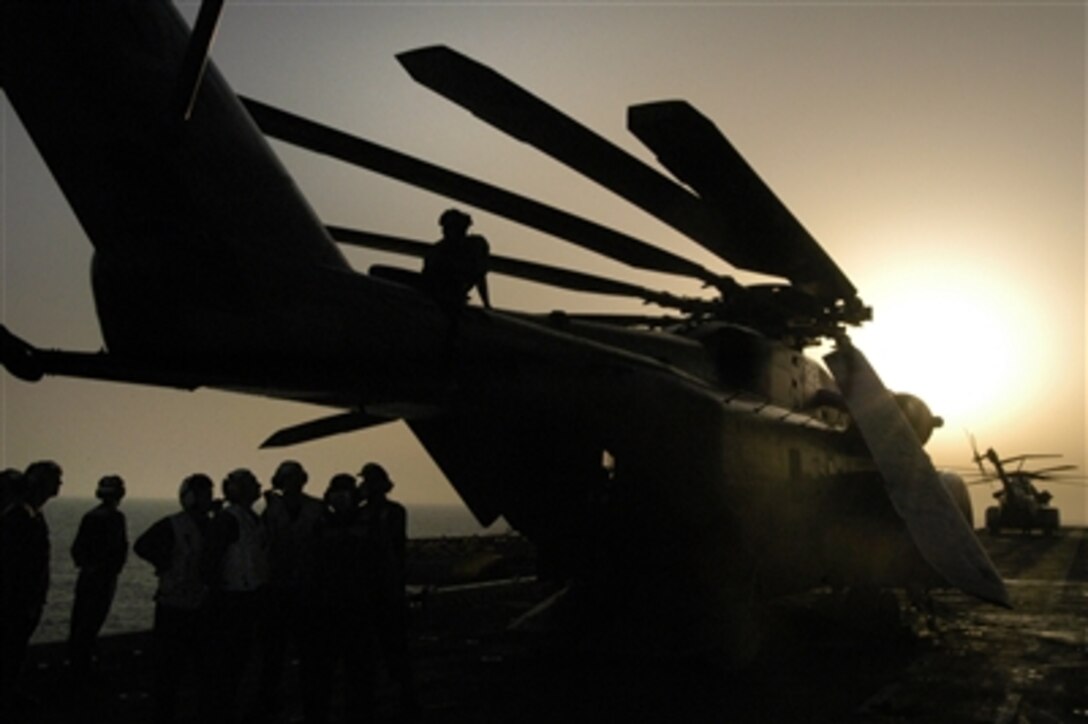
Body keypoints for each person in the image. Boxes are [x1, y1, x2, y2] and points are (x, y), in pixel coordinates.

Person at [133, 473, 215, 724]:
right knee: (169, 671)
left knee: (200, 670)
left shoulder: (211, 524)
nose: (206, 498)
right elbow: (142, 546)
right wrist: (165, 563)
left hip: (199, 604)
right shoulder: (174, 525)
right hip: (175, 605)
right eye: (202, 493)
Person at [302, 474, 379, 724]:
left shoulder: (367, 525)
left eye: (344, 493)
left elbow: (380, 564)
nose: (340, 498)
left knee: (357, 673)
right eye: (337, 494)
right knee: (323, 674)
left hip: (357, 607)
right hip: (328, 608)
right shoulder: (322, 525)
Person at [255, 460, 324, 720]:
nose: (292, 483)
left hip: (306, 589)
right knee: (274, 654)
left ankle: (309, 704)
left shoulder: (315, 508)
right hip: (279, 590)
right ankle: (269, 702)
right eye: (288, 478)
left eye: (295, 477)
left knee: (308, 654)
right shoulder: (273, 511)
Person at [203, 468, 268, 724]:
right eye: (251, 484)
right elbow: (211, 560)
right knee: (230, 662)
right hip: (233, 598)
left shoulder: (250, 518)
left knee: (240, 661)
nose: (257, 487)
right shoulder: (230, 519)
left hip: (248, 596)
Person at [0, 460, 62, 710]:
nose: (58, 485)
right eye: (55, 480)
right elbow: (13, 566)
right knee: (10, 651)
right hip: (16, 602)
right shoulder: (20, 517)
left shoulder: (27, 514)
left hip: (23, 600)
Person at [358, 462, 417, 715]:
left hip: (384, 588)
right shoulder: (383, 512)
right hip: (378, 588)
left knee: (392, 648)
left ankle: (401, 697)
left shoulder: (387, 513)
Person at [67, 475, 128, 680]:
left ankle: (78, 665)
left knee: (81, 623)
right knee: (91, 623)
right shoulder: (115, 518)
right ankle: (82, 668)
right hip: (103, 578)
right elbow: (119, 551)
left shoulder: (91, 516)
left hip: (89, 577)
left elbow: (77, 550)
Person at [421, 208, 492, 311]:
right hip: (437, 297)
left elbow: (480, 276)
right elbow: (427, 279)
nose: (444, 231)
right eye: (445, 227)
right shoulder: (437, 251)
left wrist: (486, 304)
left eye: (449, 227)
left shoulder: (475, 246)